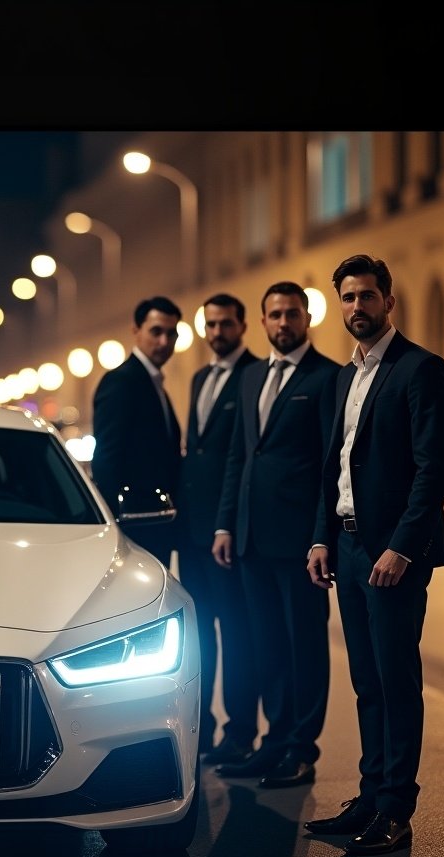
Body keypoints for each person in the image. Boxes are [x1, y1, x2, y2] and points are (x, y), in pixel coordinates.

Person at [305, 254, 444, 856]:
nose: (357, 307)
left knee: (396, 680)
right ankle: (370, 796)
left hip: (393, 554)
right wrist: (321, 537)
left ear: (388, 302)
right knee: (366, 681)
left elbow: (433, 469)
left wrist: (401, 547)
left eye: (368, 296)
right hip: (345, 544)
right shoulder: (346, 377)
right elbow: (334, 467)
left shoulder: (421, 369)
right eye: (348, 298)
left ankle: (396, 808)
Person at [212, 281, 340, 788]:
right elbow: (239, 457)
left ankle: (301, 749)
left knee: (303, 646)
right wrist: (226, 522)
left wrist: (320, 536)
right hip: (250, 541)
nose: (283, 323)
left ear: (307, 318)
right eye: (275, 315)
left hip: (300, 544)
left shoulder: (328, 377)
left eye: (292, 314)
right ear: (262, 322)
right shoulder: (250, 379)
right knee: (265, 645)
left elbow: (331, 467)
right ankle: (273, 741)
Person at [176, 293, 260, 760]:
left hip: (225, 533)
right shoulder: (199, 377)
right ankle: (201, 728)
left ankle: (240, 730)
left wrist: (225, 524)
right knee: (199, 636)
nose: (217, 332)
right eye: (210, 324)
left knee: (237, 634)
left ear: (242, 325)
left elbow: (242, 457)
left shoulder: (254, 375)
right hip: (192, 534)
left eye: (226, 324)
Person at [90, 295, 183, 568]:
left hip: (153, 520)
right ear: (136, 331)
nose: (164, 341)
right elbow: (106, 457)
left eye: (171, 333)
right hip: (134, 523)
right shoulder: (121, 381)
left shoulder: (152, 382)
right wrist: (116, 524)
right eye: (156, 331)